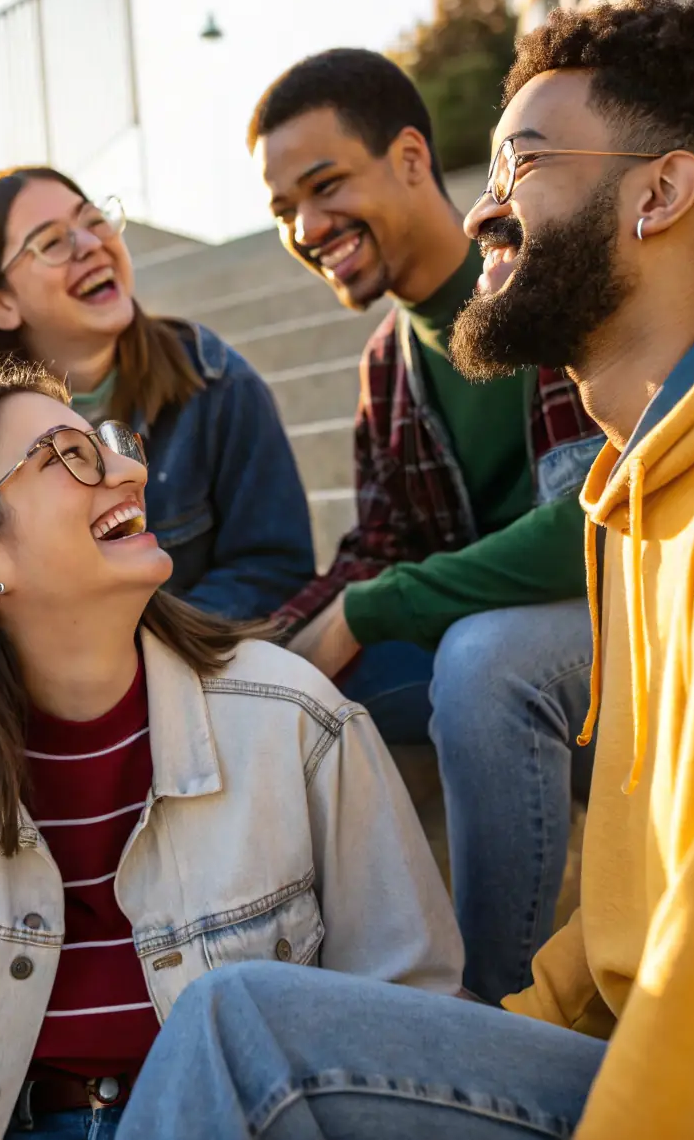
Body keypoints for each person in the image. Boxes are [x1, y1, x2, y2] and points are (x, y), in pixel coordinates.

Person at [117, 0, 694, 1140]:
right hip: (624, 1053)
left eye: (523, 163)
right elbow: (622, 935)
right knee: (235, 1016)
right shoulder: (644, 501)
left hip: (693, 1096)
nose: (485, 205)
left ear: (662, 192)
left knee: (243, 1032)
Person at [0, 367, 463, 1140]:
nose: (129, 469)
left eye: (113, 445)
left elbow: (413, 1013)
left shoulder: (296, 718)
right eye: (69, 454)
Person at [247, 49, 603, 1001]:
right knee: (277, 686)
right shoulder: (385, 364)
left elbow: (591, 528)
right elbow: (377, 547)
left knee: (481, 658)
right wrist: (257, 649)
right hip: (486, 656)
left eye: (325, 187)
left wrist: (374, 606)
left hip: (625, 631)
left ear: (410, 157)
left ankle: (495, 1011)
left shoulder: (542, 277)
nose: (307, 228)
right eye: (285, 211)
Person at [0, 165, 315, 620]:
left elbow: (275, 568)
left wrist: (140, 650)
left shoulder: (212, 378)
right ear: (0, 306)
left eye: (94, 221)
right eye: (53, 242)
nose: (94, 245)